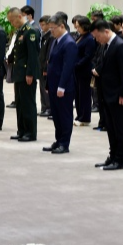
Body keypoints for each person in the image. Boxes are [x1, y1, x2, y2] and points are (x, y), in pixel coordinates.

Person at [91, 19, 123, 171]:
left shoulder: (120, 46)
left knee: (120, 128)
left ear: (107, 32)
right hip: (106, 94)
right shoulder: (106, 45)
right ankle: (112, 155)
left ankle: (120, 159)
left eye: (98, 36)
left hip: (117, 96)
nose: (97, 40)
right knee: (111, 128)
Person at [44, 13, 77, 154]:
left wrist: (61, 86)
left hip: (63, 87)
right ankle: (58, 140)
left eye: (53, 28)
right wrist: (47, 84)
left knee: (64, 115)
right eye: (50, 29)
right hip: (53, 85)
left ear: (62, 26)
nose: (51, 31)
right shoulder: (55, 40)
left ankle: (64, 143)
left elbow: (67, 67)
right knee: (56, 115)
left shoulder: (69, 43)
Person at [7, 8, 39, 143]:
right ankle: (21, 130)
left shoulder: (30, 31)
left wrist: (30, 73)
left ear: (19, 16)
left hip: (26, 74)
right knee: (20, 103)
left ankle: (30, 132)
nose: (11, 23)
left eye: (12, 20)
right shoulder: (20, 31)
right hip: (19, 73)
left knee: (28, 104)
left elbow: (33, 55)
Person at [72, 16, 95, 127]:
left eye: (78, 26)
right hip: (77, 71)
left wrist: (77, 64)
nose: (77, 28)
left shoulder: (89, 38)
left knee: (84, 95)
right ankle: (79, 115)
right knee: (78, 94)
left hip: (84, 70)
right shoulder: (81, 37)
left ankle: (85, 117)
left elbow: (88, 56)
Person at [37, 16, 53, 117]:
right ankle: (44, 107)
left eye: (43, 25)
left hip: (45, 67)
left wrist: (46, 68)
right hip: (41, 65)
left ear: (48, 24)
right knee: (42, 88)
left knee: (46, 89)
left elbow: (48, 54)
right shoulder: (44, 36)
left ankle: (48, 108)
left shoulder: (50, 37)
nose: (41, 27)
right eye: (40, 25)